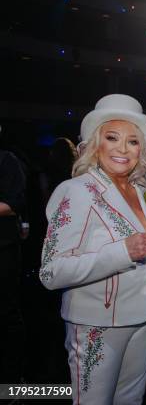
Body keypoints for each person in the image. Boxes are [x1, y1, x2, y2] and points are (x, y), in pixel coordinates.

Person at [39, 94, 146, 404]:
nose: (122, 148)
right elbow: (51, 272)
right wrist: (123, 252)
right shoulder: (76, 191)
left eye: (132, 141)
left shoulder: (144, 194)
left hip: (145, 319)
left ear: (141, 150)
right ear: (95, 143)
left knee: (131, 400)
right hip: (96, 325)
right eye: (112, 137)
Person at [0, 139, 27, 384]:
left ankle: (12, 383)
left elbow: (13, 203)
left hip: (3, 248)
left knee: (6, 312)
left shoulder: (6, 159)